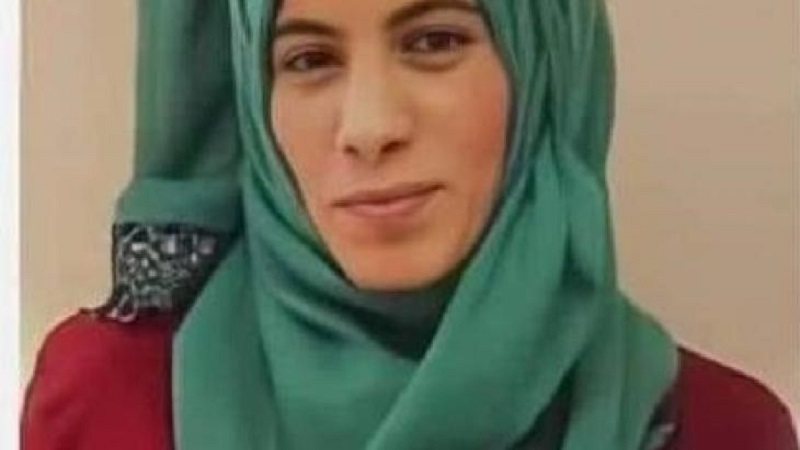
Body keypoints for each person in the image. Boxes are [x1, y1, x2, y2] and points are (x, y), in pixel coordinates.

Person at [21, 0, 798, 448]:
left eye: (435, 42)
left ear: (547, 69)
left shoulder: (722, 431)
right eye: (309, 59)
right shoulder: (106, 400)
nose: (369, 127)